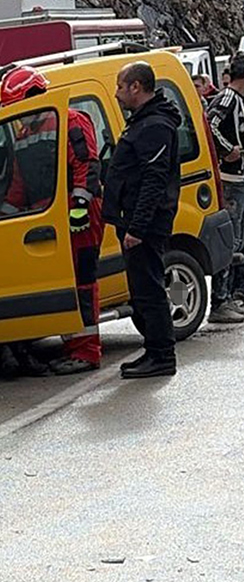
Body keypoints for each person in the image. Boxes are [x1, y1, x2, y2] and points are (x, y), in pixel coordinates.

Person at [0, 66, 108, 374]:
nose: (17, 113)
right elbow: (20, 184)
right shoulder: (25, 133)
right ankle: (72, 346)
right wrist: (2, 216)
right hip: (48, 218)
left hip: (79, 216)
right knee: (64, 284)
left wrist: (79, 208)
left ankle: (87, 352)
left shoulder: (71, 120)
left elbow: (87, 164)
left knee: (83, 284)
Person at [104, 61, 181, 379]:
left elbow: (153, 179)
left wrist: (137, 227)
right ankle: (153, 350)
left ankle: (163, 356)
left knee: (149, 289)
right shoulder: (143, 121)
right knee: (141, 290)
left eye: (121, 87)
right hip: (135, 220)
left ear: (136, 87)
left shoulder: (155, 126)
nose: (118, 94)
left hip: (145, 225)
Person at [207, 56, 244, 317]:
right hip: (231, 180)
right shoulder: (228, 99)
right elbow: (210, 125)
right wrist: (227, 150)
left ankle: (236, 293)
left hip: (240, 180)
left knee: (240, 241)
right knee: (230, 240)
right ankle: (221, 299)